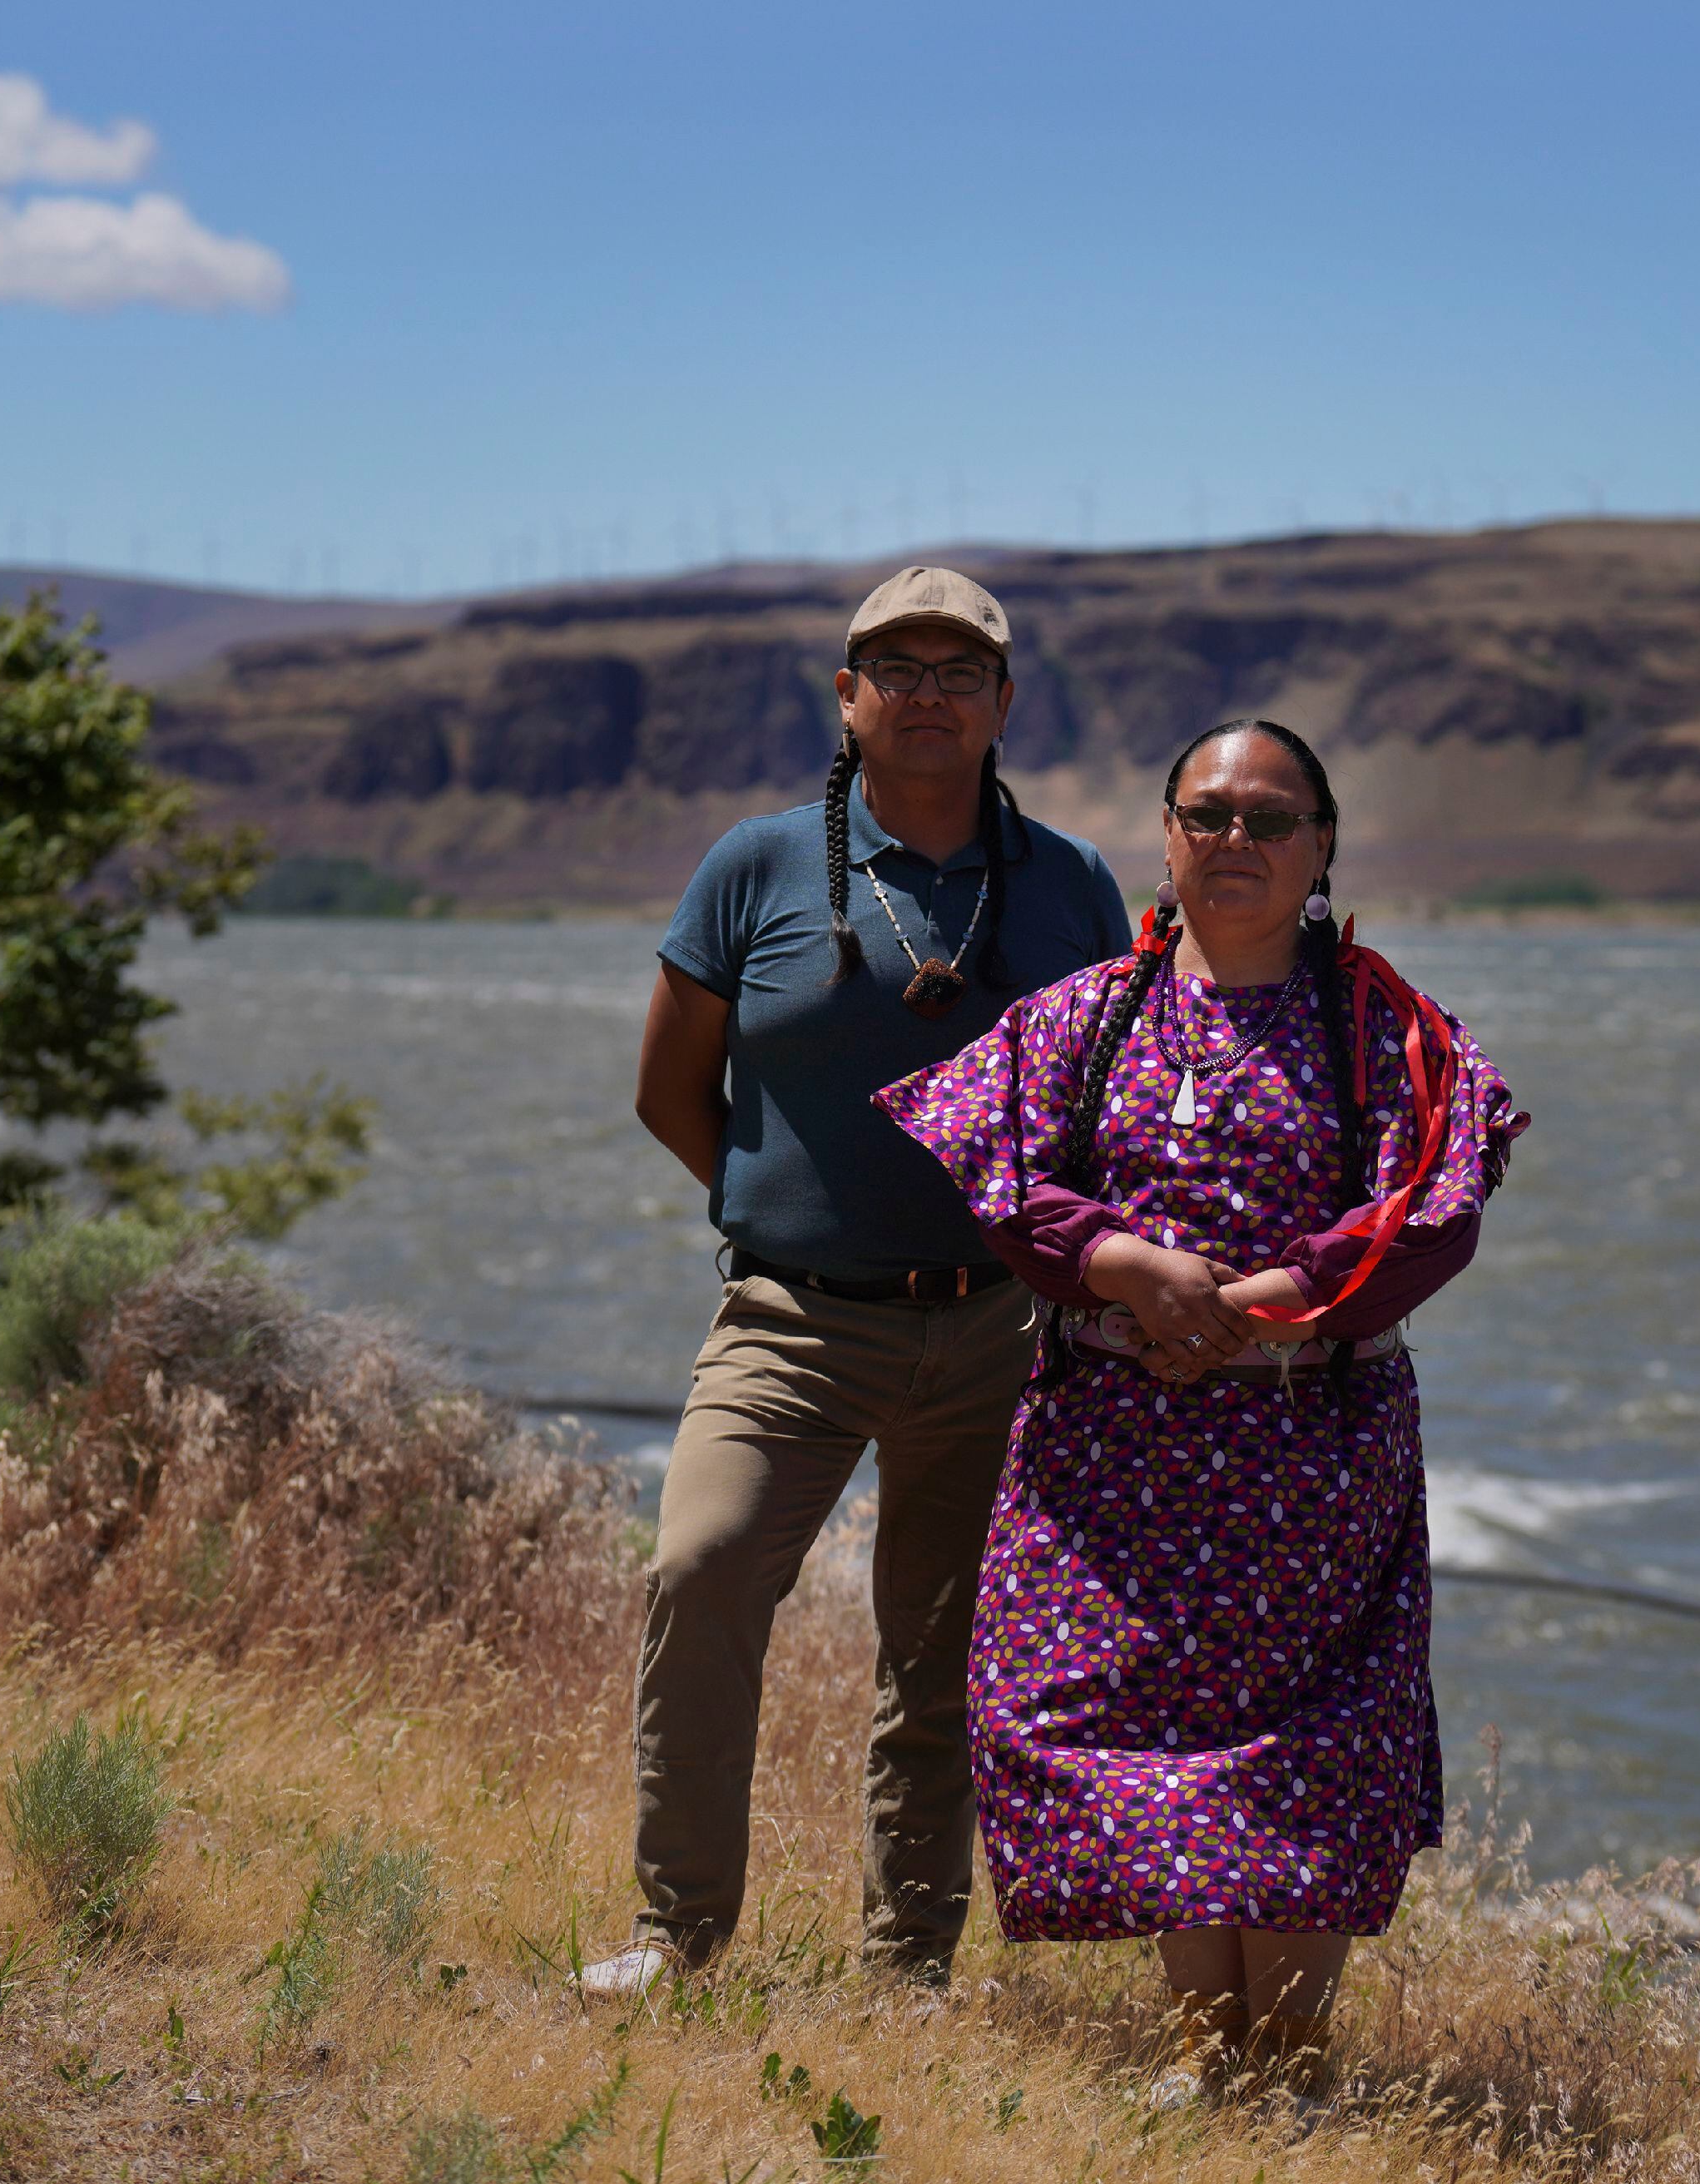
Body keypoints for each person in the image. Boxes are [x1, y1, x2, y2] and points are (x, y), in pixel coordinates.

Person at [874, 717, 1525, 2095]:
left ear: (1324, 846)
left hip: (1314, 1464)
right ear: (1165, 835)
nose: (1238, 840)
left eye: (1271, 818)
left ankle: (1287, 2066)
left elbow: (1433, 1211)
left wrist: (1262, 1297)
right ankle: (1201, 2049)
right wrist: (1124, 1262)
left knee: (1302, 1748)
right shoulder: (1088, 1014)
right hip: (1114, 1457)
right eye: (1209, 814)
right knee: (1143, 1733)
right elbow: (999, 1169)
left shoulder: (1388, 1029)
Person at [592, 567, 1133, 1996]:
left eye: (964, 670)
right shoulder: (754, 866)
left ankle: (908, 1964)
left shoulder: (1073, 884)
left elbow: (1112, 1108)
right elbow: (669, 1088)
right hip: (789, 1323)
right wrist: (783, 1209)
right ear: (848, 695)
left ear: (1006, 704)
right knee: (701, 1573)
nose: (931, 692)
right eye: (898, 665)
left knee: (944, 1653)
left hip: (998, 1331)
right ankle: (681, 1935)